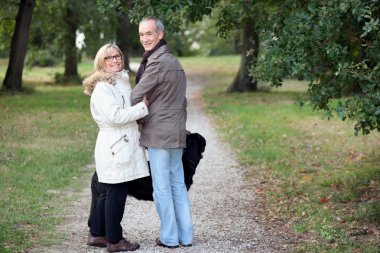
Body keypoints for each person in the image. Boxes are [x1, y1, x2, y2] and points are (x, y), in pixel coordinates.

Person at [131, 17, 193, 248]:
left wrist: (141, 114)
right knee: (177, 184)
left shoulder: (156, 63)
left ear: (160, 34)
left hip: (159, 132)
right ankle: (186, 236)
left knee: (162, 187)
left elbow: (135, 96)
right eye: (141, 34)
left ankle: (169, 237)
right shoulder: (174, 61)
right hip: (175, 131)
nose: (145, 39)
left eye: (149, 33)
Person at [83, 43, 149, 252]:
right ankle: (115, 240)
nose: (114, 60)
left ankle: (97, 234)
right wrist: (142, 108)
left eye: (117, 56)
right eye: (109, 58)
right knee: (116, 192)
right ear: (101, 62)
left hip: (121, 142)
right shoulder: (104, 87)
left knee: (106, 190)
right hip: (115, 144)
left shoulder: (119, 81)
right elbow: (115, 116)